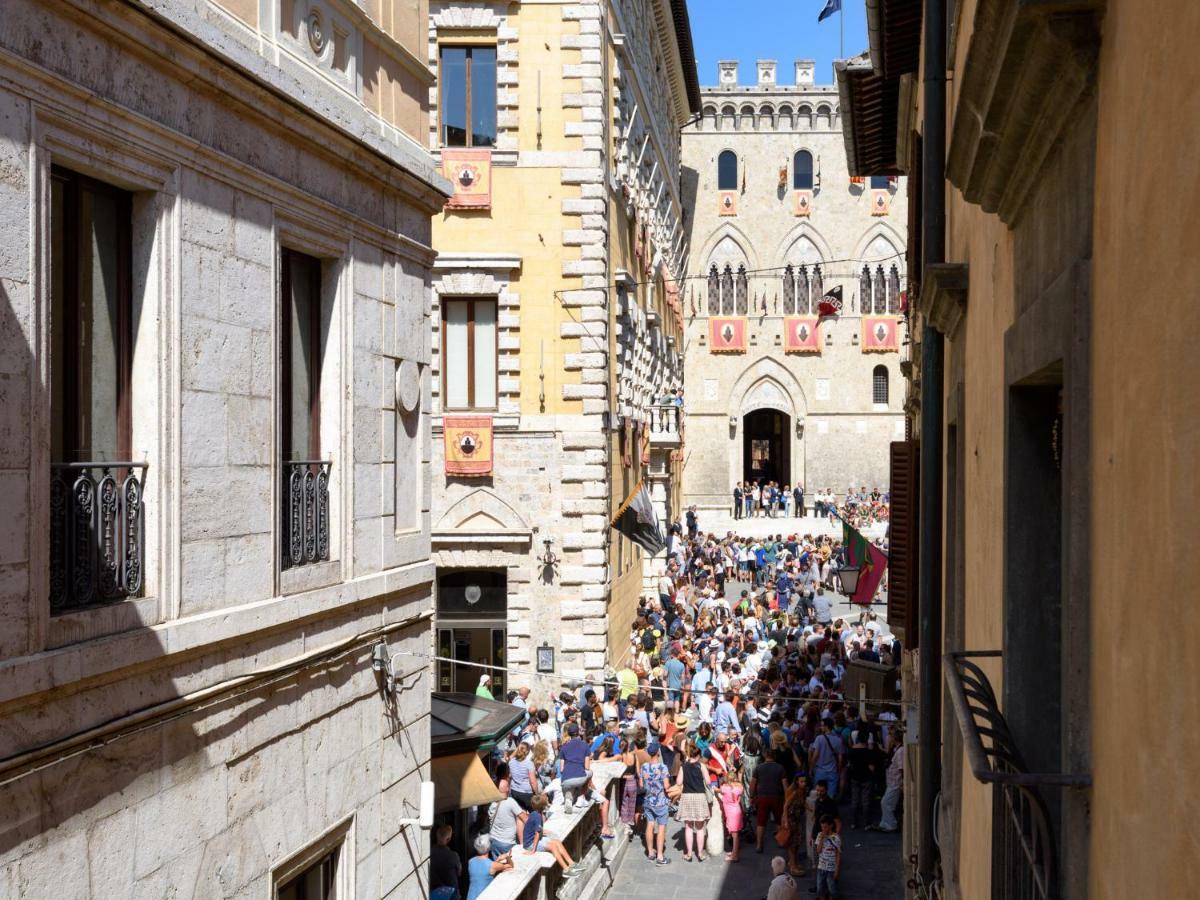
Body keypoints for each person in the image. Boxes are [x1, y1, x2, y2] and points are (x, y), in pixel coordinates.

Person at [521, 793, 583, 876]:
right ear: (543, 806)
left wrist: (542, 832)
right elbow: (536, 834)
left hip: (534, 839)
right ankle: (566, 869)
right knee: (553, 847)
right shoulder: (537, 817)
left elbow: (535, 830)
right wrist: (533, 850)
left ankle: (572, 864)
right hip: (530, 844)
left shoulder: (534, 814)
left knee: (557, 842)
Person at [675, 740, 711, 862]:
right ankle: (700, 853)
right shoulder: (702, 766)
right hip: (700, 797)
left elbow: (679, 782)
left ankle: (689, 853)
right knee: (700, 828)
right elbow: (708, 782)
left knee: (688, 827)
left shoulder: (683, 766)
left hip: (687, 797)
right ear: (698, 755)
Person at [640, 741, 672, 865]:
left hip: (648, 800)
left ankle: (650, 853)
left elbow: (642, 785)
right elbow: (666, 786)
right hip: (660, 802)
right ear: (658, 753)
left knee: (650, 824)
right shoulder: (662, 767)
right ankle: (660, 856)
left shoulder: (644, 767)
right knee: (661, 827)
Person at [750, 750, 786, 854]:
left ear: (765, 755)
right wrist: (787, 798)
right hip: (777, 797)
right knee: (778, 820)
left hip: (762, 797)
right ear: (774, 756)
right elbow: (785, 785)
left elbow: (752, 784)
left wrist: (752, 796)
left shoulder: (758, 767)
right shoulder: (780, 768)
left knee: (761, 822)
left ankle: (759, 845)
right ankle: (780, 842)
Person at [466, 832, 513, 900]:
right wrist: (506, 856)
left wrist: (496, 862)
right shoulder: (492, 865)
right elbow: (510, 865)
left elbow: (481, 871)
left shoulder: (470, 862)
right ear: (489, 847)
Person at [874, 730, 905, 832]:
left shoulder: (900, 751)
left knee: (886, 803)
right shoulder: (896, 749)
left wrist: (902, 783)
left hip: (896, 783)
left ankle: (890, 824)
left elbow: (901, 768)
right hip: (892, 781)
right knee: (886, 802)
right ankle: (885, 823)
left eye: (890, 737)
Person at [719, 767, 745, 862]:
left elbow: (720, 790)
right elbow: (739, 792)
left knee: (735, 835)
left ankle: (735, 856)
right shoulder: (739, 787)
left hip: (731, 813)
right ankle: (734, 852)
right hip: (737, 811)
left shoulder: (724, 787)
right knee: (736, 834)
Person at [429, 824, 461, 899]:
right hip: (451, 895)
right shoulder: (453, 856)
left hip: (433, 895)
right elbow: (459, 873)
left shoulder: (428, 854)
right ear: (449, 839)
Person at [814, 814, 842, 899]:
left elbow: (838, 854)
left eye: (825, 827)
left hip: (831, 868)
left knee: (832, 888)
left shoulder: (836, 838)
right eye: (822, 827)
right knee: (820, 888)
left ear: (831, 825)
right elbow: (818, 851)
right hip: (821, 867)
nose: (823, 829)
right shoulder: (819, 835)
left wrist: (837, 869)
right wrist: (822, 839)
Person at [507, 742, 539, 810]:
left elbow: (509, 775)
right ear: (527, 752)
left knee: (520, 812)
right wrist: (537, 793)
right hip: (526, 793)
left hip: (514, 791)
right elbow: (533, 782)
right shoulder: (529, 764)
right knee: (533, 812)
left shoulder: (511, 761)